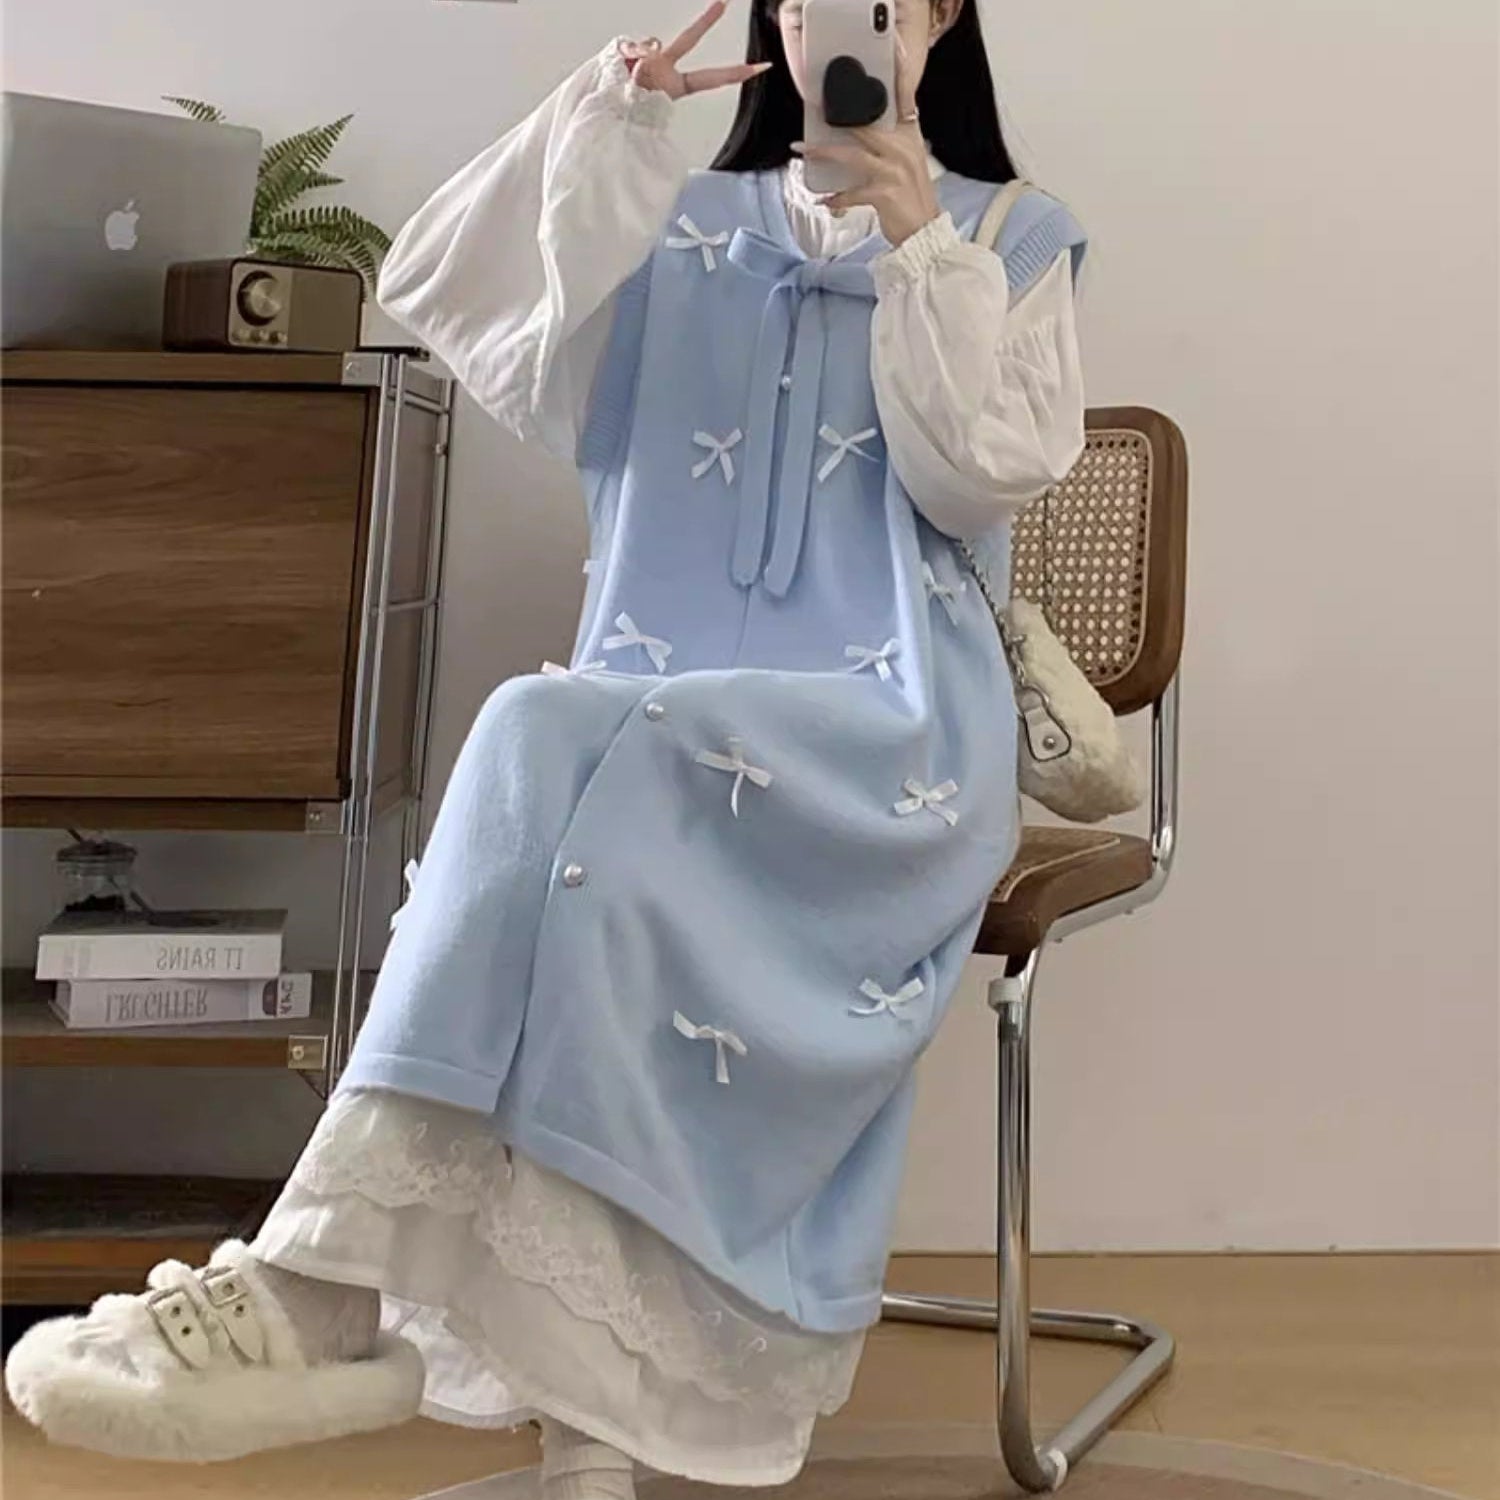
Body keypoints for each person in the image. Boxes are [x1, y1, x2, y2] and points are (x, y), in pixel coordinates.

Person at [6, 2, 1085, 1492]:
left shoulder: (1010, 239)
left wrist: (918, 239)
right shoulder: (680, 224)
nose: (838, 22)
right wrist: (607, 132)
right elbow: (461, 302)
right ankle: (513, 1397)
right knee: (567, 812)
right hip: (646, 710)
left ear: (941, 16)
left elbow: (981, 477)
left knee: (562, 762)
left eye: (880, 1)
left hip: (890, 744)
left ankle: (319, 1291)